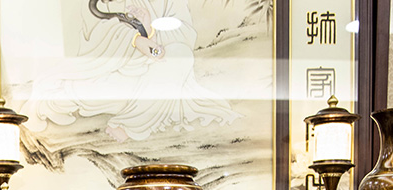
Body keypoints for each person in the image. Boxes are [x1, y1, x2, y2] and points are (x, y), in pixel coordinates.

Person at [27, 0, 239, 142]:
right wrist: (135, 40)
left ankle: (129, 125)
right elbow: (92, 29)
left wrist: (150, 29)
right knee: (68, 95)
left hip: (160, 67)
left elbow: (183, 35)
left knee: (181, 57)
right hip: (118, 67)